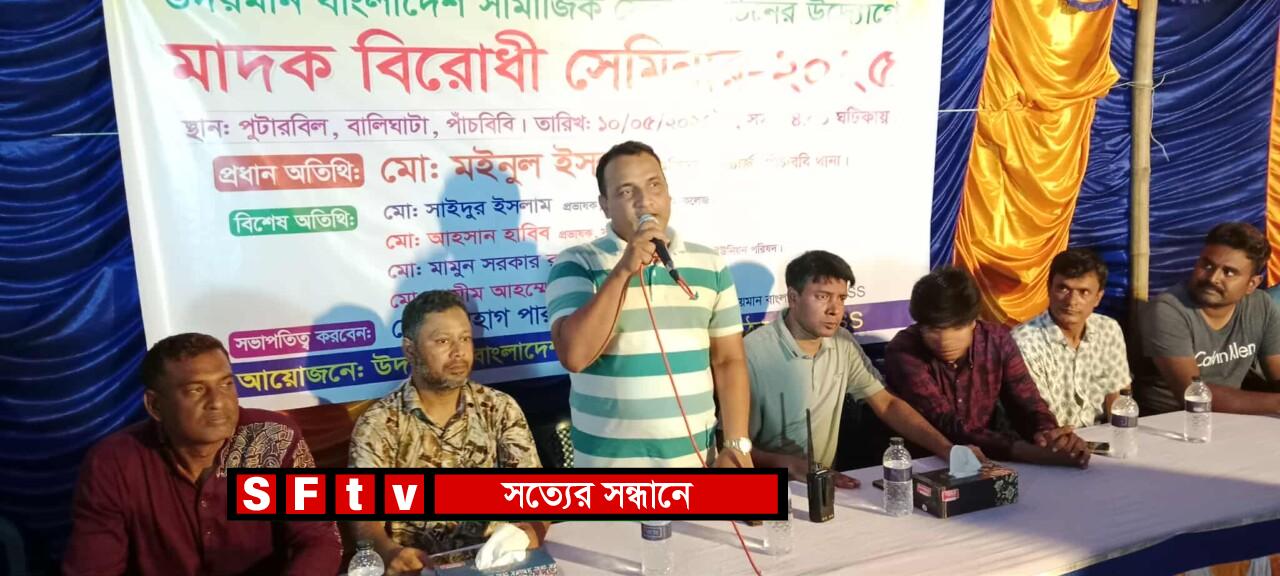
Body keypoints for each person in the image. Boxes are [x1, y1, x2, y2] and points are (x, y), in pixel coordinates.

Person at [546, 140, 754, 468]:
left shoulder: (710, 264)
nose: (645, 201)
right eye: (626, 191)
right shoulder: (577, 262)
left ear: (668, 193)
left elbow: (729, 360)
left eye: (655, 185)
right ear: (605, 205)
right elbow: (574, 355)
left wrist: (737, 444)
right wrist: (623, 270)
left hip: (694, 464)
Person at [62, 333, 341, 575]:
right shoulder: (114, 463)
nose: (218, 402)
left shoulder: (272, 438)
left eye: (226, 384)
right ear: (155, 406)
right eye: (196, 390)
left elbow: (319, 540)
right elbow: (94, 568)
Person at [745, 251, 986, 487]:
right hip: (758, 489)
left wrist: (947, 449)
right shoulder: (751, 353)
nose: (834, 309)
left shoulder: (842, 342)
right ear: (793, 297)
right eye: (822, 296)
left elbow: (887, 403)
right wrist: (786, 464)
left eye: (841, 298)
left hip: (826, 486)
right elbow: (732, 446)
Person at [349, 291, 548, 575]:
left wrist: (525, 534)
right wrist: (388, 551)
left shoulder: (500, 408)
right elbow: (363, 517)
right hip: (419, 569)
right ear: (410, 350)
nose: (458, 352)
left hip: (497, 565)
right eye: (443, 341)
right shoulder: (379, 424)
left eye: (465, 338)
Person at [885, 267, 1090, 468]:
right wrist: (1029, 453)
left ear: (974, 321)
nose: (944, 340)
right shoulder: (904, 350)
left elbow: (1028, 402)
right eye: (933, 329)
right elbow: (947, 424)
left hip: (988, 461)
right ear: (919, 325)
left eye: (956, 327)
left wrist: (1051, 438)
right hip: (920, 465)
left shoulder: (996, 340)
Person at [1139, 222, 1280, 415]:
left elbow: (1277, 374)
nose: (1213, 278)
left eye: (1229, 272)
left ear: (1252, 284)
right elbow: (1193, 396)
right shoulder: (1167, 309)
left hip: (1232, 418)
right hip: (1170, 420)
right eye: (1207, 265)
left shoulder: (1261, 305)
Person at [1012, 248, 1131, 428]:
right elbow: (1039, 418)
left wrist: (1121, 438)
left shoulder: (1108, 329)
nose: (1071, 301)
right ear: (1049, 289)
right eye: (1063, 288)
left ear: (1098, 297)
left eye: (1084, 292)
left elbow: (1118, 397)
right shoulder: (1024, 341)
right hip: (1050, 439)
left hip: (1103, 438)